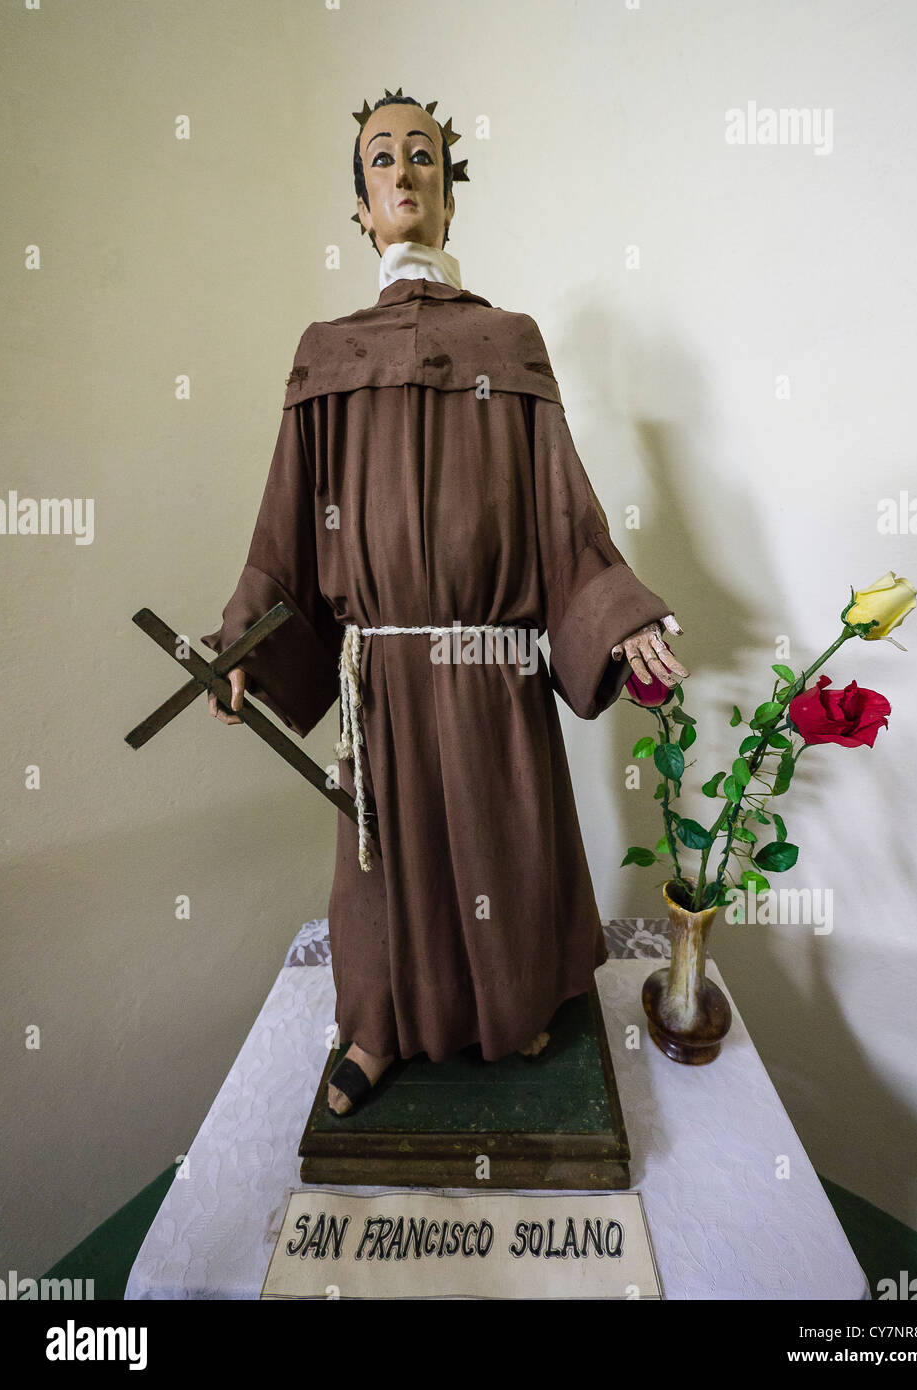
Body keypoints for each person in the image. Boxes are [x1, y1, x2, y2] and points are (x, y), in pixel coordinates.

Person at [203, 91, 688, 1117]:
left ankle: (513, 1010)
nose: (405, 172)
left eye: (423, 155)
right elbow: (285, 532)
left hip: (494, 666)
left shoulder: (509, 343)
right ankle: (378, 1027)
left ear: (449, 201)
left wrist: (621, 614)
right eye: (383, 159)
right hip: (381, 673)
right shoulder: (326, 354)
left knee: (502, 839)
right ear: (363, 207)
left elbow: (566, 524)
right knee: (387, 869)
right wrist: (243, 638)